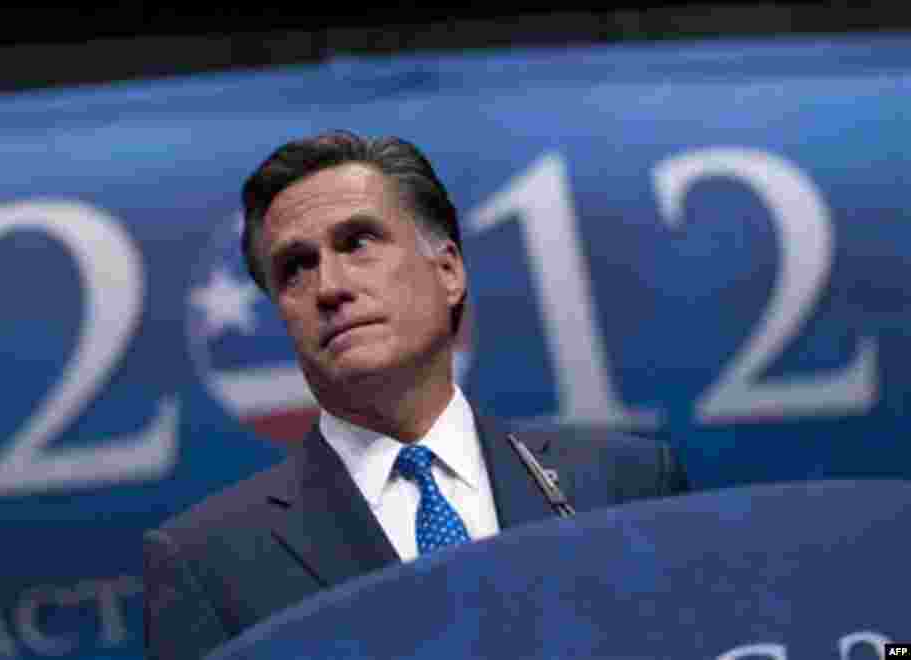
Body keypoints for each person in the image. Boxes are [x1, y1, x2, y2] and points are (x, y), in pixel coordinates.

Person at [143, 130, 690, 660]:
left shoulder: (625, 485)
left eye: (357, 242)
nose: (330, 287)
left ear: (448, 270)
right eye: (295, 268)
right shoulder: (209, 564)